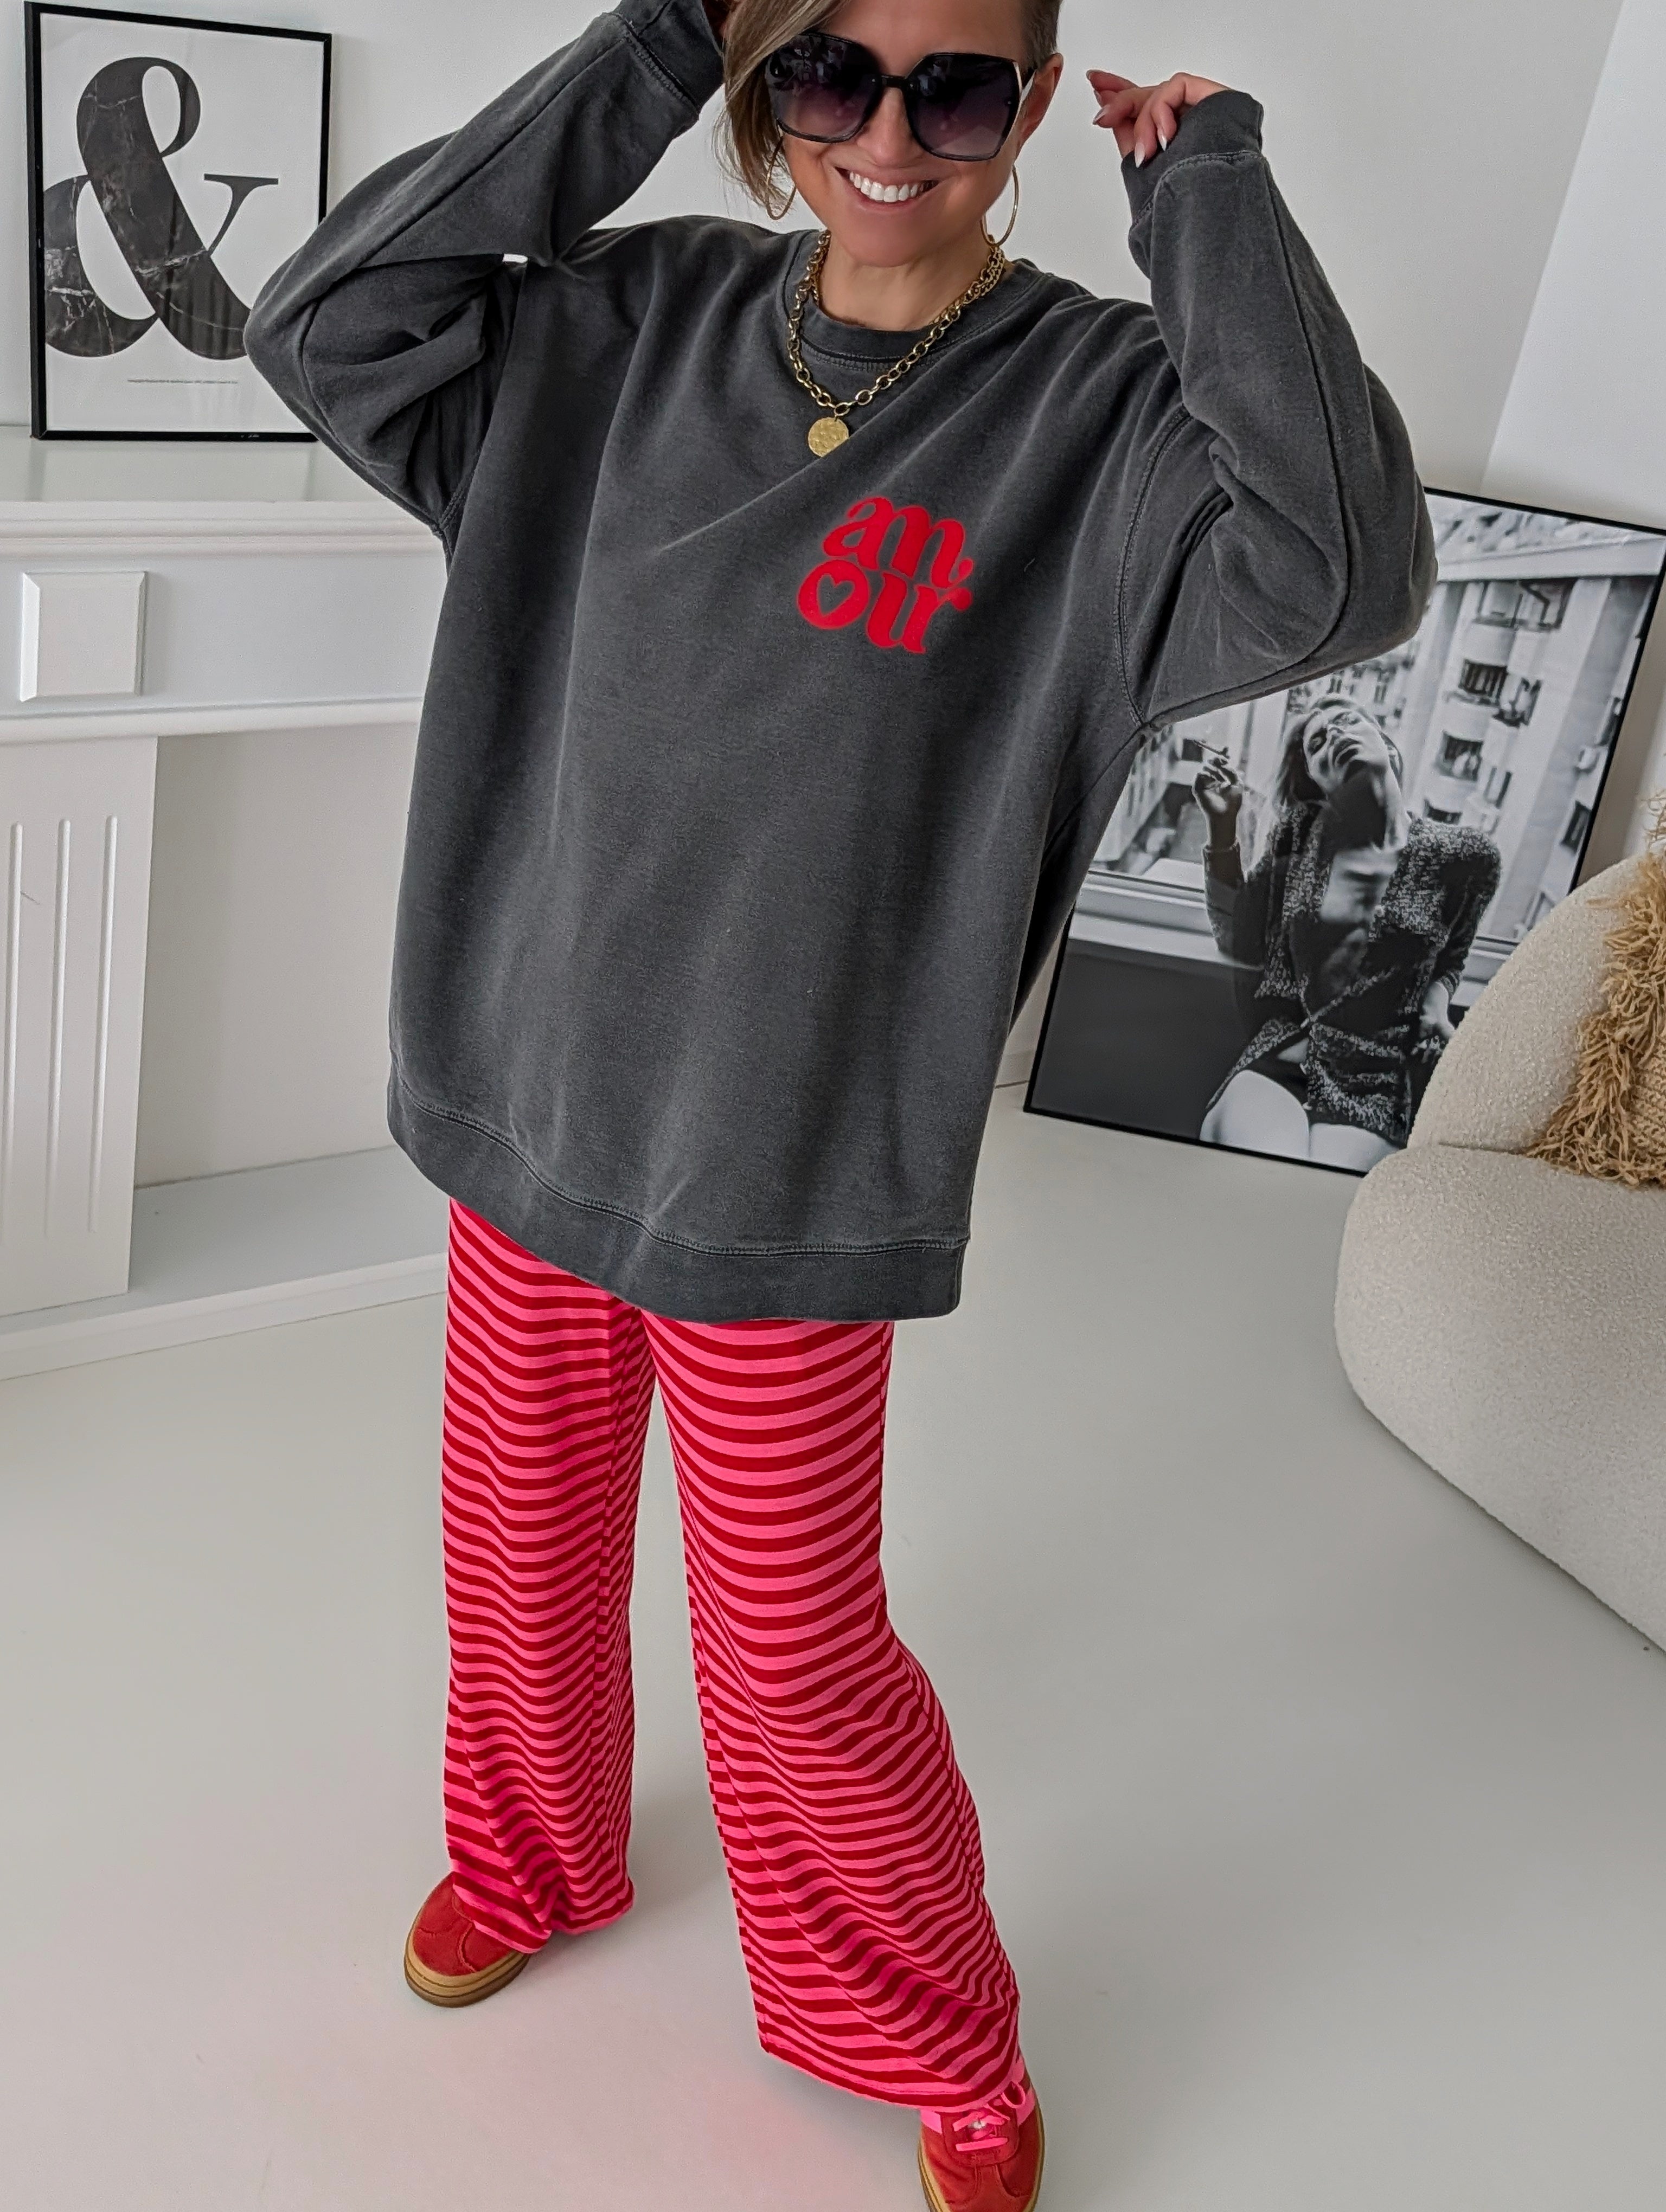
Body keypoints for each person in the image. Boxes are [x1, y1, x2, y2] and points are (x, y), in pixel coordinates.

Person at [245, 0, 1432, 2201]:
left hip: (793, 1147)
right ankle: (531, 1858)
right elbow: (325, 319)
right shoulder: (618, 324)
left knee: (790, 1653)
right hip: (532, 1076)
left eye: (956, 86)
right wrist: (648, 46)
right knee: (516, 1550)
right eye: (826, 71)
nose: (889, 132)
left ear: (1029, 106)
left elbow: (1345, 572)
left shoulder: (1094, 413)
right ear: (763, 79)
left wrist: (1211, 201)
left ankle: (926, 2029)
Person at [1194, 696, 1501, 1171]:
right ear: (1319, 779)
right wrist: (1221, 826)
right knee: (1265, 1178)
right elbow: (1238, 939)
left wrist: (1436, 1005)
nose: (1334, 735)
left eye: (1346, 721)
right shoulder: (1298, 836)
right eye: (1317, 742)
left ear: (1387, 745)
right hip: (1279, 1063)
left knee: (1315, 1200)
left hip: (1373, 1088)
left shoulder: (1467, 857)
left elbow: (1450, 958)